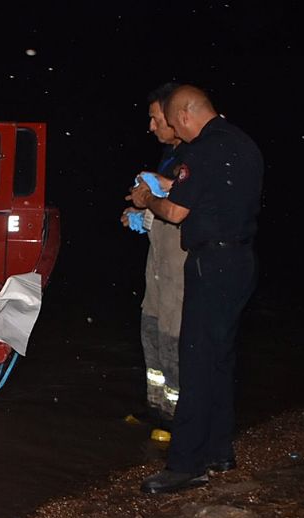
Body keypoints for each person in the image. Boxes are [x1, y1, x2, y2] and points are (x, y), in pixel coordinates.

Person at [128, 84, 263, 494]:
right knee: (220, 359)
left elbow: (176, 211)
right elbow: (217, 196)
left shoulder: (202, 150)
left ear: (185, 116)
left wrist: (147, 198)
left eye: (171, 121)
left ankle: (186, 464)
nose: (172, 130)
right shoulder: (244, 143)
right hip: (241, 260)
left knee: (196, 360)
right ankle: (220, 451)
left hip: (211, 262)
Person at [121, 83, 187, 441]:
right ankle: (156, 407)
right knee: (151, 324)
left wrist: (158, 193)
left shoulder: (196, 156)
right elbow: (162, 205)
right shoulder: (170, 155)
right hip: (158, 254)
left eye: (155, 118)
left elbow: (191, 208)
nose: (151, 126)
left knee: (174, 332)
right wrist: (141, 212)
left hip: (180, 258)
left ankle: (178, 418)